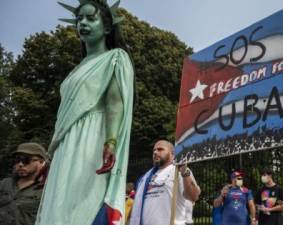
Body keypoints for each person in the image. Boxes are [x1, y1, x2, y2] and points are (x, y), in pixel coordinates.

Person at [35, 0, 134, 224]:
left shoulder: (114, 57)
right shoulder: (75, 70)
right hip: (64, 144)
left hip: (92, 138)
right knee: (59, 205)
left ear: (107, 27)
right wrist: (51, 156)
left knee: (81, 203)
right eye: (79, 19)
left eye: (91, 18)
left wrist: (111, 140)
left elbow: (114, 102)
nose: (83, 23)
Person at [129, 140, 201, 225]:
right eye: (154, 150)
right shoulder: (146, 177)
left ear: (172, 154)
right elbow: (137, 206)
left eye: (160, 149)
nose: (155, 152)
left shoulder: (178, 171)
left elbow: (194, 196)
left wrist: (184, 172)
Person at [0, 142, 48, 225]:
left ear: (41, 162)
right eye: (17, 160)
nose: (20, 164)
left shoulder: (47, 189)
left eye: (26, 160)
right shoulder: (5, 183)